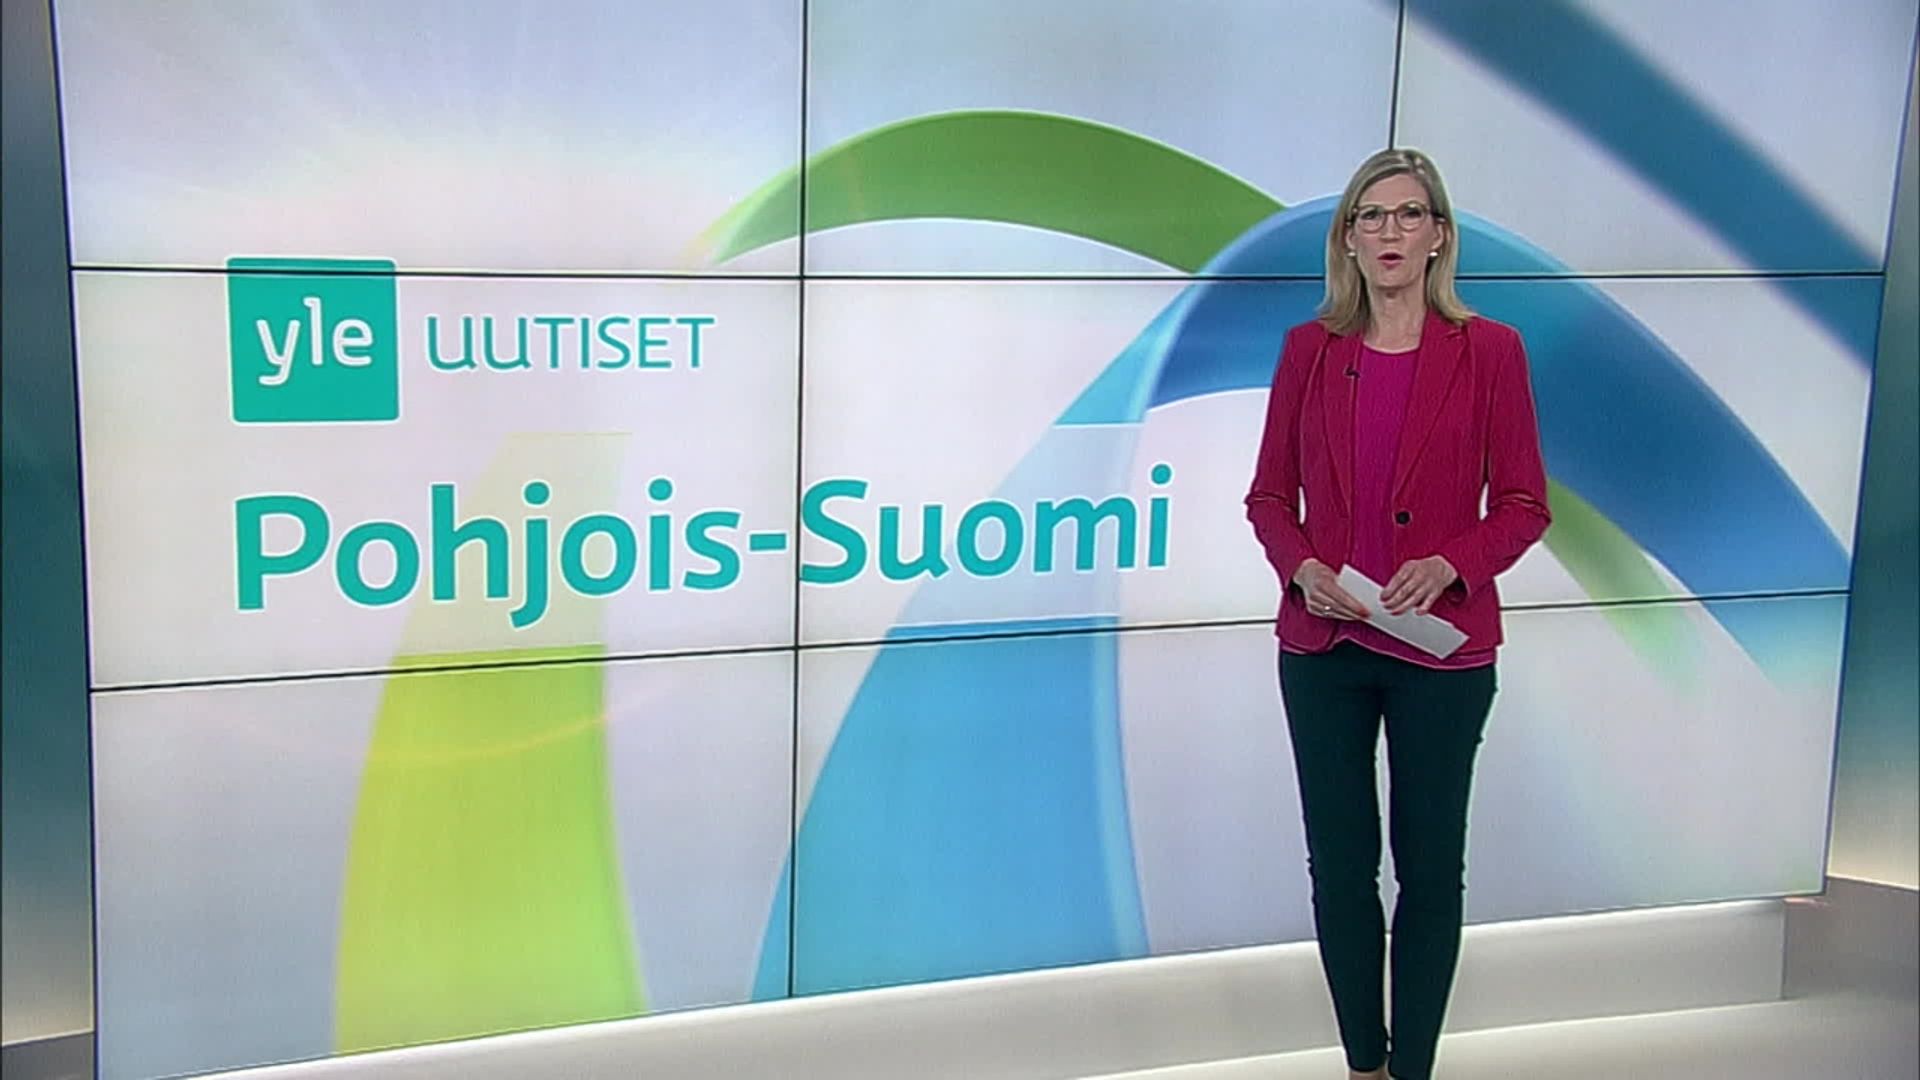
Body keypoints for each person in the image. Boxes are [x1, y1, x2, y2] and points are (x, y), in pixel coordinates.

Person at [1244, 148, 1551, 1080]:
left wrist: (1452, 562)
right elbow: (1268, 498)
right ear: (1347, 238)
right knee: (1341, 870)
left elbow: (1525, 505)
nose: (1389, 232)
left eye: (1409, 215)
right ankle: (1363, 1065)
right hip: (1326, 650)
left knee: (1429, 868)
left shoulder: (1490, 351)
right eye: (1370, 216)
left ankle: (1412, 1065)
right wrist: (1302, 569)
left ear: (1438, 237)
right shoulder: (1310, 351)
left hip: (1441, 656)